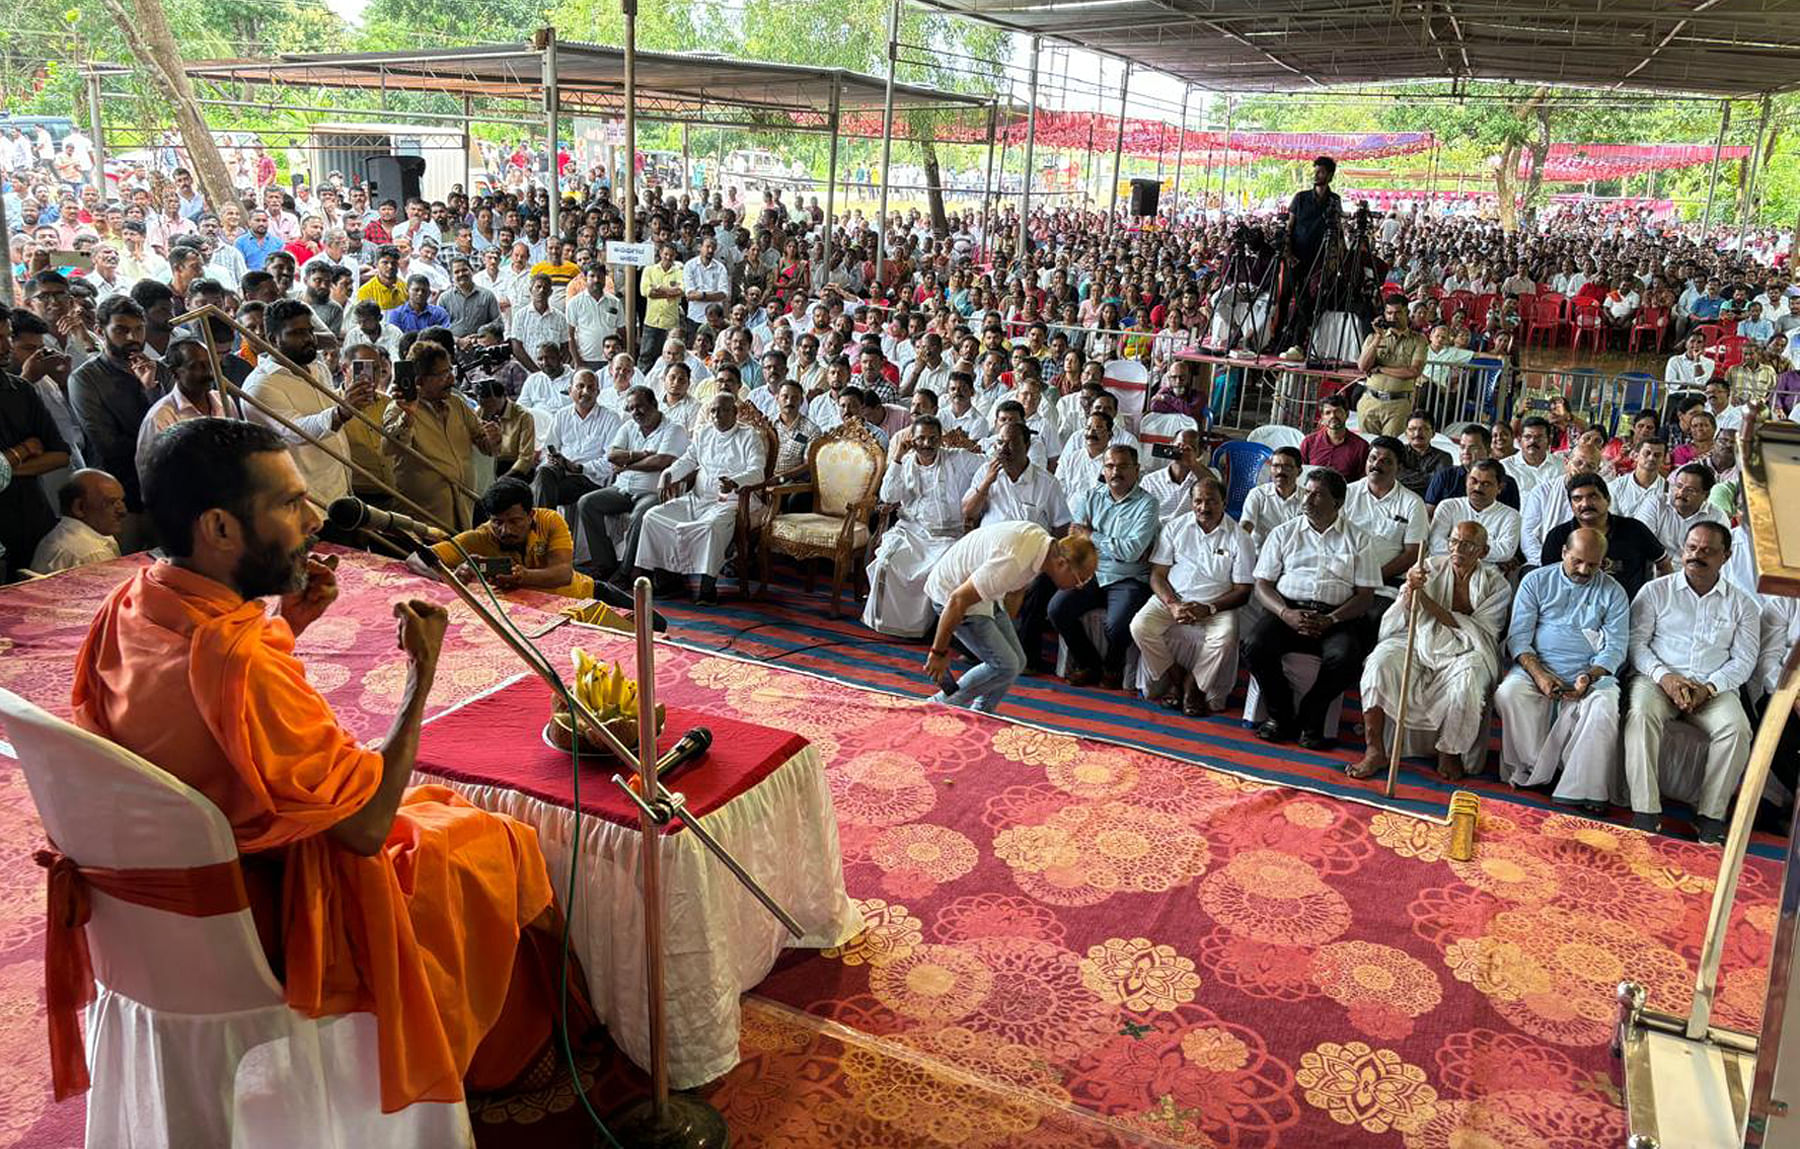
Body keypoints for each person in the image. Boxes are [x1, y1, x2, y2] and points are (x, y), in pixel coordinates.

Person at [74, 418, 585, 1112]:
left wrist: (287, 622)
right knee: (494, 841)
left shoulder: (128, 604)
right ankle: (512, 1062)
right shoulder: (240, 659)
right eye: (289, 502)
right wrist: (420, 675)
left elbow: (212, 721)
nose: (314, 517)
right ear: (221, 529)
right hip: (270, 912)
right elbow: (367, 828)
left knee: (441, 808)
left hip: (156, 911)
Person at [1622, 521, 1760, 842]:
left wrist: (1709, 688)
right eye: (1692, 548)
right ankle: (1645, 811)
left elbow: (1744, 660)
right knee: (1640, 713)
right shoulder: (1655, 591)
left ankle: (1710, 816)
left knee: (1737, 728)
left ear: (1725, 556)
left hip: (1713, 688)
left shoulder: (1743, 605)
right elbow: (1636, 644)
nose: (1697, 556)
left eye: (1708, 551)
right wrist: (1666, 678)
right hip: (1657, 679)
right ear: (1682, 549)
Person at [1350, 520, 1509, 781]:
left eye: (1468, 545)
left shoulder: (1496, 585)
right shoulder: (1430, 567)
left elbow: (1481, 629)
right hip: (1419, 635)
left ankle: (1450, 751)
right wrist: (1411, 589)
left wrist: (1425, 600)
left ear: (1484, 551)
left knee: (1469, 679)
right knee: (1380, 662)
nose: (1458, 549)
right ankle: (1374, 748)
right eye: (1454, 542)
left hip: (1468, 647)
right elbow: (1407, 611)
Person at [1242, 466, 1381, 749]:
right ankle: (1280, 714)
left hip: (1336, 616)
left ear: (1338, 503)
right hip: (1288, 611)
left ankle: (1311, 714)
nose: (1307, 499)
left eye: (1317, 495)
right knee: (1255, 645)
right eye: (1307, 491)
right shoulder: (1284, 533)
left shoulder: (1360, 539)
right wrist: (1285, 613)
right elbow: (1262, 585)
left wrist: (1331, 619)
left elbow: (1365, 596)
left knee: (1346, 658)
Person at [1495, 527, 1630, 814]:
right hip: (1537, 667)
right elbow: (1519, 637)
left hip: (1591, 673)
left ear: (1603, 562)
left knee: (1604, 706)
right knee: (1509, 693)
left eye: (1593, 564)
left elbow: (1616, 647)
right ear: (1563, 553)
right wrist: (1540, 674)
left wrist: (1590, 676)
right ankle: (1535, 766)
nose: (1584, 570)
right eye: (1577, 561)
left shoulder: (1614, 592)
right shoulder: (1536, 581)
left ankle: (1582, 788)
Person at [923, 524, 1098, 714]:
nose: (1080, 586)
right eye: (1081, 579)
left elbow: (1016, 588)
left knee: (1017, 661)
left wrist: (1005, 634)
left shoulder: (1042, 547)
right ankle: (937, 705)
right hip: (951, 595)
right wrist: (938, 653)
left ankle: (981, 713)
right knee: (1006, 665)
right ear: (1062, 564)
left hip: (985, 594)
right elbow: (957, 600)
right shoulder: (1014, 561)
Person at [1129, 475, 1255, 716]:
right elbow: (1157, 574)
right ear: (1191, 502)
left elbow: (1243, 591)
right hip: (1173, 599)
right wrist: (1173, 604)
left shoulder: (1240, 538)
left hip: (1217, 606)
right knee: (1139, 626)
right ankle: (1177, 678)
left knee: (1225, 638)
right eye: (1198, 501)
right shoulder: (1175, 527)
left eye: (1211, 501)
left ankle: (1194, 686)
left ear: (1223, 503)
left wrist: (1208, 609)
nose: (1204, 507)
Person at [633, 391, 768, 604]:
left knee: (711, 526)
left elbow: (757, 470)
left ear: (734, 412)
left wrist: (735, 481)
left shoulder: (749, 435)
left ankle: (707, 588)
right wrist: (669, 474)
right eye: (713, 411)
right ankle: (666, 580)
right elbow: (689, 459)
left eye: (723, 410)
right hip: (698, 497)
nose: (717, 416)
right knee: (652, 517)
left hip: (732, 500)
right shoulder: (704, 432)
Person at [244, 300, 374, 509]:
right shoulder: (260, 385)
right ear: (273, 339)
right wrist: (342, 411)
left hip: (341, 491)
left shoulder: (318, 368)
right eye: (296, 333)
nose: (308, 339)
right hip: (306, 503)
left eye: (309, 331)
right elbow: (296, 431)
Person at [862, 415, 983, 637]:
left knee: (937, 571)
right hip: (911, 531)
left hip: (948, 536)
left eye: (932, 438)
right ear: (912, 439)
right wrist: (897, 458)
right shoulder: (905, 462)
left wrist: (978, 492)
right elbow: (888, 496)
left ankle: (926, 629)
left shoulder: (959, 459)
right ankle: (887, 624)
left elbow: (988, 467)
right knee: (886, 564)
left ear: (940, 439)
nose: (926, 444)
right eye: (921, 439)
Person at [1049, 445, 1158, 688]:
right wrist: (1093, 540)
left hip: (1127, 578)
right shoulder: (1091, 496)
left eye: (1122, 466)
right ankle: (1089, 664)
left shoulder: (1148, 504)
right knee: (1057, 609)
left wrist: (1093, 536)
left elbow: (1132, 552)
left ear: (1137, 469)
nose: (1115, 471)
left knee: (1118, 625)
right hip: (1091, 572)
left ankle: (1112, 666)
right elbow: (1076, 541)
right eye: (1110, 466)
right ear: (1103, 469)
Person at [69, 297, 167, 542]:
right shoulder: (85, 379)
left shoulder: (159, 370)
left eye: (138, 329)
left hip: (163, 489)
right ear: (101, 332)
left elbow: (178, 429)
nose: (133, 338)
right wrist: (159, 441)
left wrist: (151, 390)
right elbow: (108, 445)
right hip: (118, 497)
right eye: (122, 330)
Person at [411, 476, 594, 598]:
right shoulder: (479, 537)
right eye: (497, 522)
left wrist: (524, 576)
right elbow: (415, 559)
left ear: (531, 515)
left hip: (582, 593)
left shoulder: (549, 520)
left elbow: (563, 574)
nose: (505, 530)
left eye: (514, 521)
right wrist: (450, 576)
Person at [382, 341, 497, 533]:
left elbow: (485, 445)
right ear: (419, 380)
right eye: (442, 374)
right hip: (423, 521)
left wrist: (494, 438)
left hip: (463, 511)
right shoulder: (399, 408)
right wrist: (408, 416)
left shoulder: (457, 404)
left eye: (450, 370)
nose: (451, 379)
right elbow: (389, 448)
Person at [577, 385, 689, 580]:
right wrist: (641, 454)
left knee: (640, 515)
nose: (636, 412)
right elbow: (612, 455)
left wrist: (628, 464)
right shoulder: (629, 427)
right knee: (587, 503)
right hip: (622, 489)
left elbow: (661, 461)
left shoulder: (674, 429)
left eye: (640, 406)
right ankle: (605, 564)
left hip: (654, 493)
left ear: (654, 404)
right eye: (631, 408)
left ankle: (625, 571)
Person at [0, 310, 74, 570]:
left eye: (7, 336)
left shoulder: (21, 391)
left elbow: (60, 455)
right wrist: (23, 450)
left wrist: (5, 468)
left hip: (33, 522)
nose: (6, 346)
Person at [1540, 472, 1669, 599]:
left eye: (1593, 496)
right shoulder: (1557, 537)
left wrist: (1661, 601)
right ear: (1571, 506)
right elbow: (1549, 581)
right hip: (1574, 611)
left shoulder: (1634, 529)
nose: (1585, 504)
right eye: (1577, 499)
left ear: (1607, 500)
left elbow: (1663, 564)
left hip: (1629, 610)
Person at [135, 336, 240, 484]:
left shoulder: (224, 401)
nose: (208, 373)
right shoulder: (160, 417)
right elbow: (151, 474)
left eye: (210, 364)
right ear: (174, 373)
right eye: (196, 366)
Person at [1343, 435, 1428, 613]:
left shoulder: (1412, 503)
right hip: (1343, 575)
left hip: (1385, 581)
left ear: (1399, 468)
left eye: (1386, 461)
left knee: (1372, 618)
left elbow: (1412, 553)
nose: (1377, 464)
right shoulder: (1346, 493)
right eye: (1373, 458)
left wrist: (1372, 577)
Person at [531, 370, 621, 514]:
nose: (585, 392)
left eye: (591, 387)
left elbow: (611, 462)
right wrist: (554, 459)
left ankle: (543, 532)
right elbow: (550, 448)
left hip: (589, 477)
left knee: (541, 491)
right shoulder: (562, 415)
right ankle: (545, 530)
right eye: (580, 386)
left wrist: (578, 468)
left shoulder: (611, 418)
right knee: (544, 472)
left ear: (598, 392)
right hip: (560, 471)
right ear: (570, 390)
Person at [1426, 459, 1521, 570]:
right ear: (1466, 481)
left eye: (1486, 484)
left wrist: (1455, 546)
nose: (1477, 488)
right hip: (1445, 569)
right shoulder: (1448, 506)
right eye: (1473, 481)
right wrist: (1483, 552)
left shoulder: (1510, 516)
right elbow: (1436, 544)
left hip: (1486, 575)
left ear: (1500, 487)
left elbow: (1506, 552)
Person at [1353, 295, 1427, 437]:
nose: (1393, 317)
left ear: (1407, 313)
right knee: (1367, 447)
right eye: (1389, 313)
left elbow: (1413, 371)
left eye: (1398, 313)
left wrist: (1381, 369)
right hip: (1370, 400)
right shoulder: (1373, 337)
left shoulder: (1418, 340)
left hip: (1398, 404)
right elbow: (1363, 366)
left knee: (1389, 449)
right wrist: (1378, 337)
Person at [29, 467, 126, 572]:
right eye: (111, 503)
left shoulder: (61, 532)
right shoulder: (92, 553)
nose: (123, 511)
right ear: (79, 508)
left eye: (121, 501)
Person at [1423, 423, 1521, 508]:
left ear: (1488, 451)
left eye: (1473, 447)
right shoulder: (1445, 476)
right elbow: (1429, 513)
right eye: (1462, 447)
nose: (1466, 452)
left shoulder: (1506, 483)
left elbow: (1511, 519)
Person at [1646, 462, 1729, 556]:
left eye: (1690, 490)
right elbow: (1643, 541)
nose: (1681, 493)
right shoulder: (1656, 503)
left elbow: (1717, 555)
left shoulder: (1717, 517)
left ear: (1706, 495)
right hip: (1656, 566)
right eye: (1678, 486)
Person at [1240, 445, 1304, 546]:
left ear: (1299, 471)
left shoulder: (1307, 499)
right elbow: (1246, 526)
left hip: (1293, 555)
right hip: (1261, 554)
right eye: (1275, 466)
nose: (1280, 471)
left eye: (1287, 467)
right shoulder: (1258, 494)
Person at [1299, 392, 1368, 477]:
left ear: (1347, 414)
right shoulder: (1309, 442)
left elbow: (1363, 481)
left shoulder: (1361, 446)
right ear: (1322, 417)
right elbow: (1300, 473)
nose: (1333, 416)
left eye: (1337, 411)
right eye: (1328, 413)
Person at [1607, 437, 1669, 522]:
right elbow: (1611, 521)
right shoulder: (1615, 487)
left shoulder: (1668, 490)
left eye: (1657, 455)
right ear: (1636, 456)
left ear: (1664, 460)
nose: (1651, 458)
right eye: (1647, 453)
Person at [1502, 416, 1561, 494]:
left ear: (1549, 441)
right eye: (1528, 437)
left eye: (1539, 437)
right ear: (1520, 440)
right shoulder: (1505, 467)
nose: (1532, 441)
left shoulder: (1560, 466)